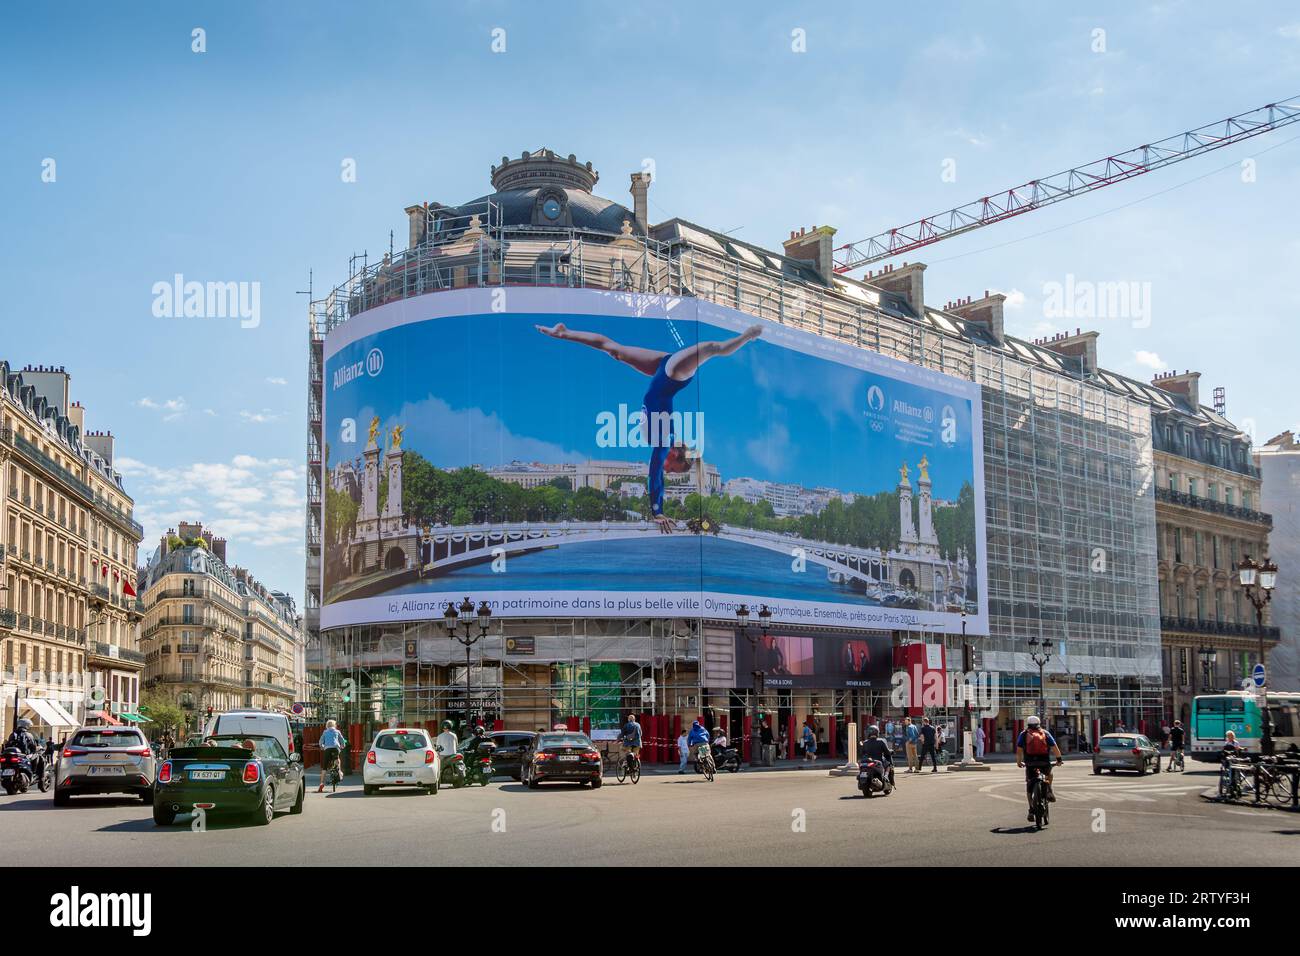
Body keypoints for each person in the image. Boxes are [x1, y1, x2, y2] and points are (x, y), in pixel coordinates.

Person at [536, 320, 762, 532]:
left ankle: (563, 333)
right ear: (675, 455)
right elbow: (655, 475)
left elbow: (657, 471)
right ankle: (747, 335)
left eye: (670, 472)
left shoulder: (664, 440)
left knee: (615, 351)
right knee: (714, 348)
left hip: (662, 372)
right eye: (672, 469)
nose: (668, 471)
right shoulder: (664, 440)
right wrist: (658, 511)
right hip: (675, 373)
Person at [1015, 715, 1064, 822]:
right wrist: (1059, 760)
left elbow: (1019, 751)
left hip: (1030, 763)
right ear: (1039, 723)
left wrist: (1019, 762)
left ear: (1027, 724)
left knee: (1029, 785)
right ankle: (1049, 790)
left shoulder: (1023, 734)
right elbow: (1055, 747)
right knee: (1049, 773)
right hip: (1044, 762)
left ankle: (1031, 809)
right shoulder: (1045, 733)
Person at [316, 719, 347, 792]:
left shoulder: (325, 732)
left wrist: (322, 746)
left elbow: (320, 741)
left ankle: (321, 783)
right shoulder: (337, 731)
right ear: (334, 725)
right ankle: (339, 771)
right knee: (337, 759)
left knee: (324, 767)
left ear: (327, 726)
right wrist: (342, 746)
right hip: (336, 748)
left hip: (327, 749)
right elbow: (342, 740)